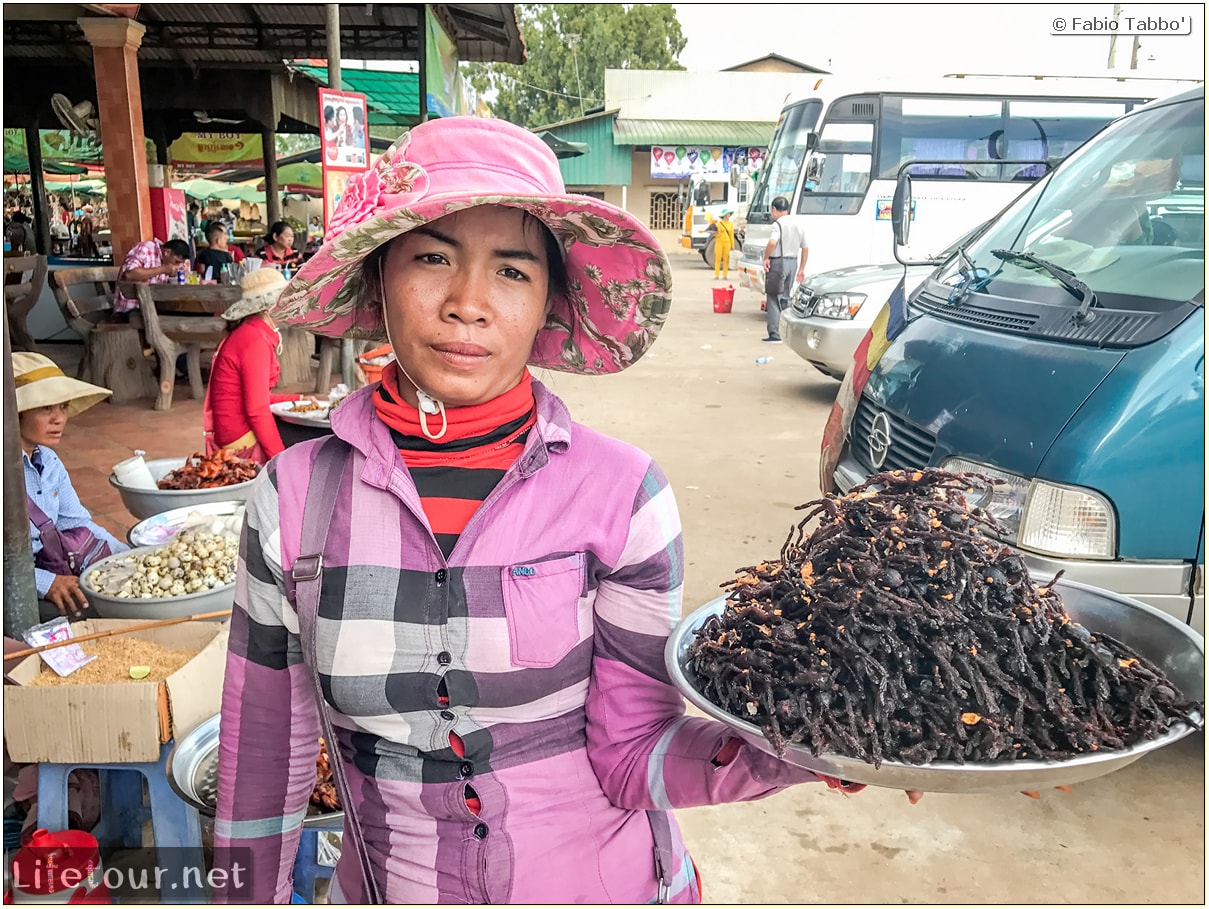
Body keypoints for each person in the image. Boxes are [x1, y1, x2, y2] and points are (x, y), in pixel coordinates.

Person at [211, 116, 861, 906]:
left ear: (550, 300)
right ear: (378, 280)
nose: (468, 303)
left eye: (512, 271)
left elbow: (632, 755)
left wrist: (807, 748)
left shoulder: (624, 495)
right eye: (431, 257)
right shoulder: (293, 498)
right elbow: (263, 758)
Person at [14, 352, 129, 621]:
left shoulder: (49, 459)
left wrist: (129, 558)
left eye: (63, 407)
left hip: (51, 565)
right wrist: (46, 583)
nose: (59, 418)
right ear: (14, 413)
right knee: (94, 610)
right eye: (46, 408)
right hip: (15, 586)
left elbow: (77, 523)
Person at [203, 269, 313, 464]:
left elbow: (255, 398)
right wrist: (280, 461)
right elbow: (257, 410)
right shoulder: (254, 340)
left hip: (232, 429)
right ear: (267, 308)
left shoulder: (251, 333)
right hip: (239, 437)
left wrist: (299, 399)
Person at [761, 195, 809, 342]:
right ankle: (787, 333)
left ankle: (775, 334)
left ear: (774, 209)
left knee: (773, 297)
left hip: (778, 264)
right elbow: (805, 247)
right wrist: (801, 269)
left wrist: (766, 258)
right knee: (786, 298)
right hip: (793, 263)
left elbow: (772, 242)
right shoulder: (797, 224)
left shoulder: (777, 225)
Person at [113, 238, 192, 314]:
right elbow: (129, 274)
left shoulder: (167, 261)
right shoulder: (145, 249)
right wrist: (163, 269)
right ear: (167, 252)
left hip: (152, 308)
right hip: (131, 309)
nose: (177, 265)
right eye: (176, 262)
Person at [713, 209, 736, 280]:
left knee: (726, 259)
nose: (729, 215)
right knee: (718, 259)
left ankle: (725, 275)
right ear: (724, 215)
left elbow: (731, 235)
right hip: (719, 242)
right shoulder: (718, 224)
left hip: (727, 243)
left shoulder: (730, 224)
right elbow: (715, 234)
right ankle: (716, 275)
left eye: (729, 214)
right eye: (728, 214)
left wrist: (733, 245)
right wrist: (720, 232)